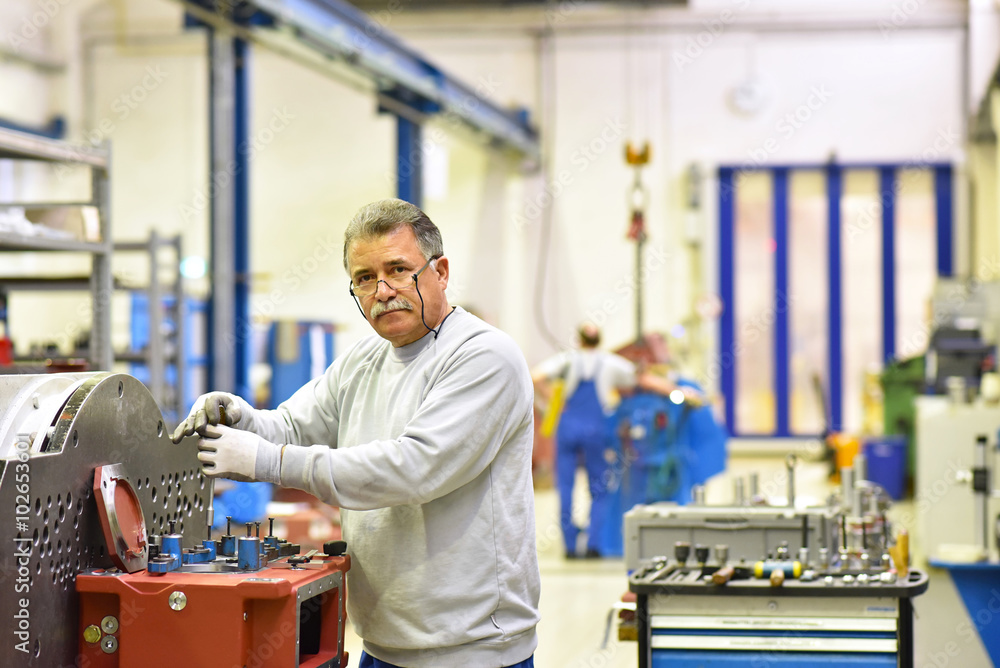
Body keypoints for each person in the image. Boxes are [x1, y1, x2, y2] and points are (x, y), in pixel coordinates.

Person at [172, 199, 540, 668]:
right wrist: (236, 416)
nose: (382, 291)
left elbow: (413, 469)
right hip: (382, 642)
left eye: (398, 270)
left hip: (474, 649)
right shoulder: (363, 361)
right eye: (365, 278)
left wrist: (267, 460)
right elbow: (290, 427)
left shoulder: (483, 356)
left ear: (441, 271)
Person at [531, 324, 641, 559]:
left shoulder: (566, 360)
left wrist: (554, 401)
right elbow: (636, 378)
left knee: (565, 487)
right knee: (599, 487)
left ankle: (570, 547)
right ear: (599, 340)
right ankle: (594, 544)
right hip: (596, 429)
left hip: (567, 427)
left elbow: (536, 376)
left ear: (579, 340)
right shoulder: (610, 362)